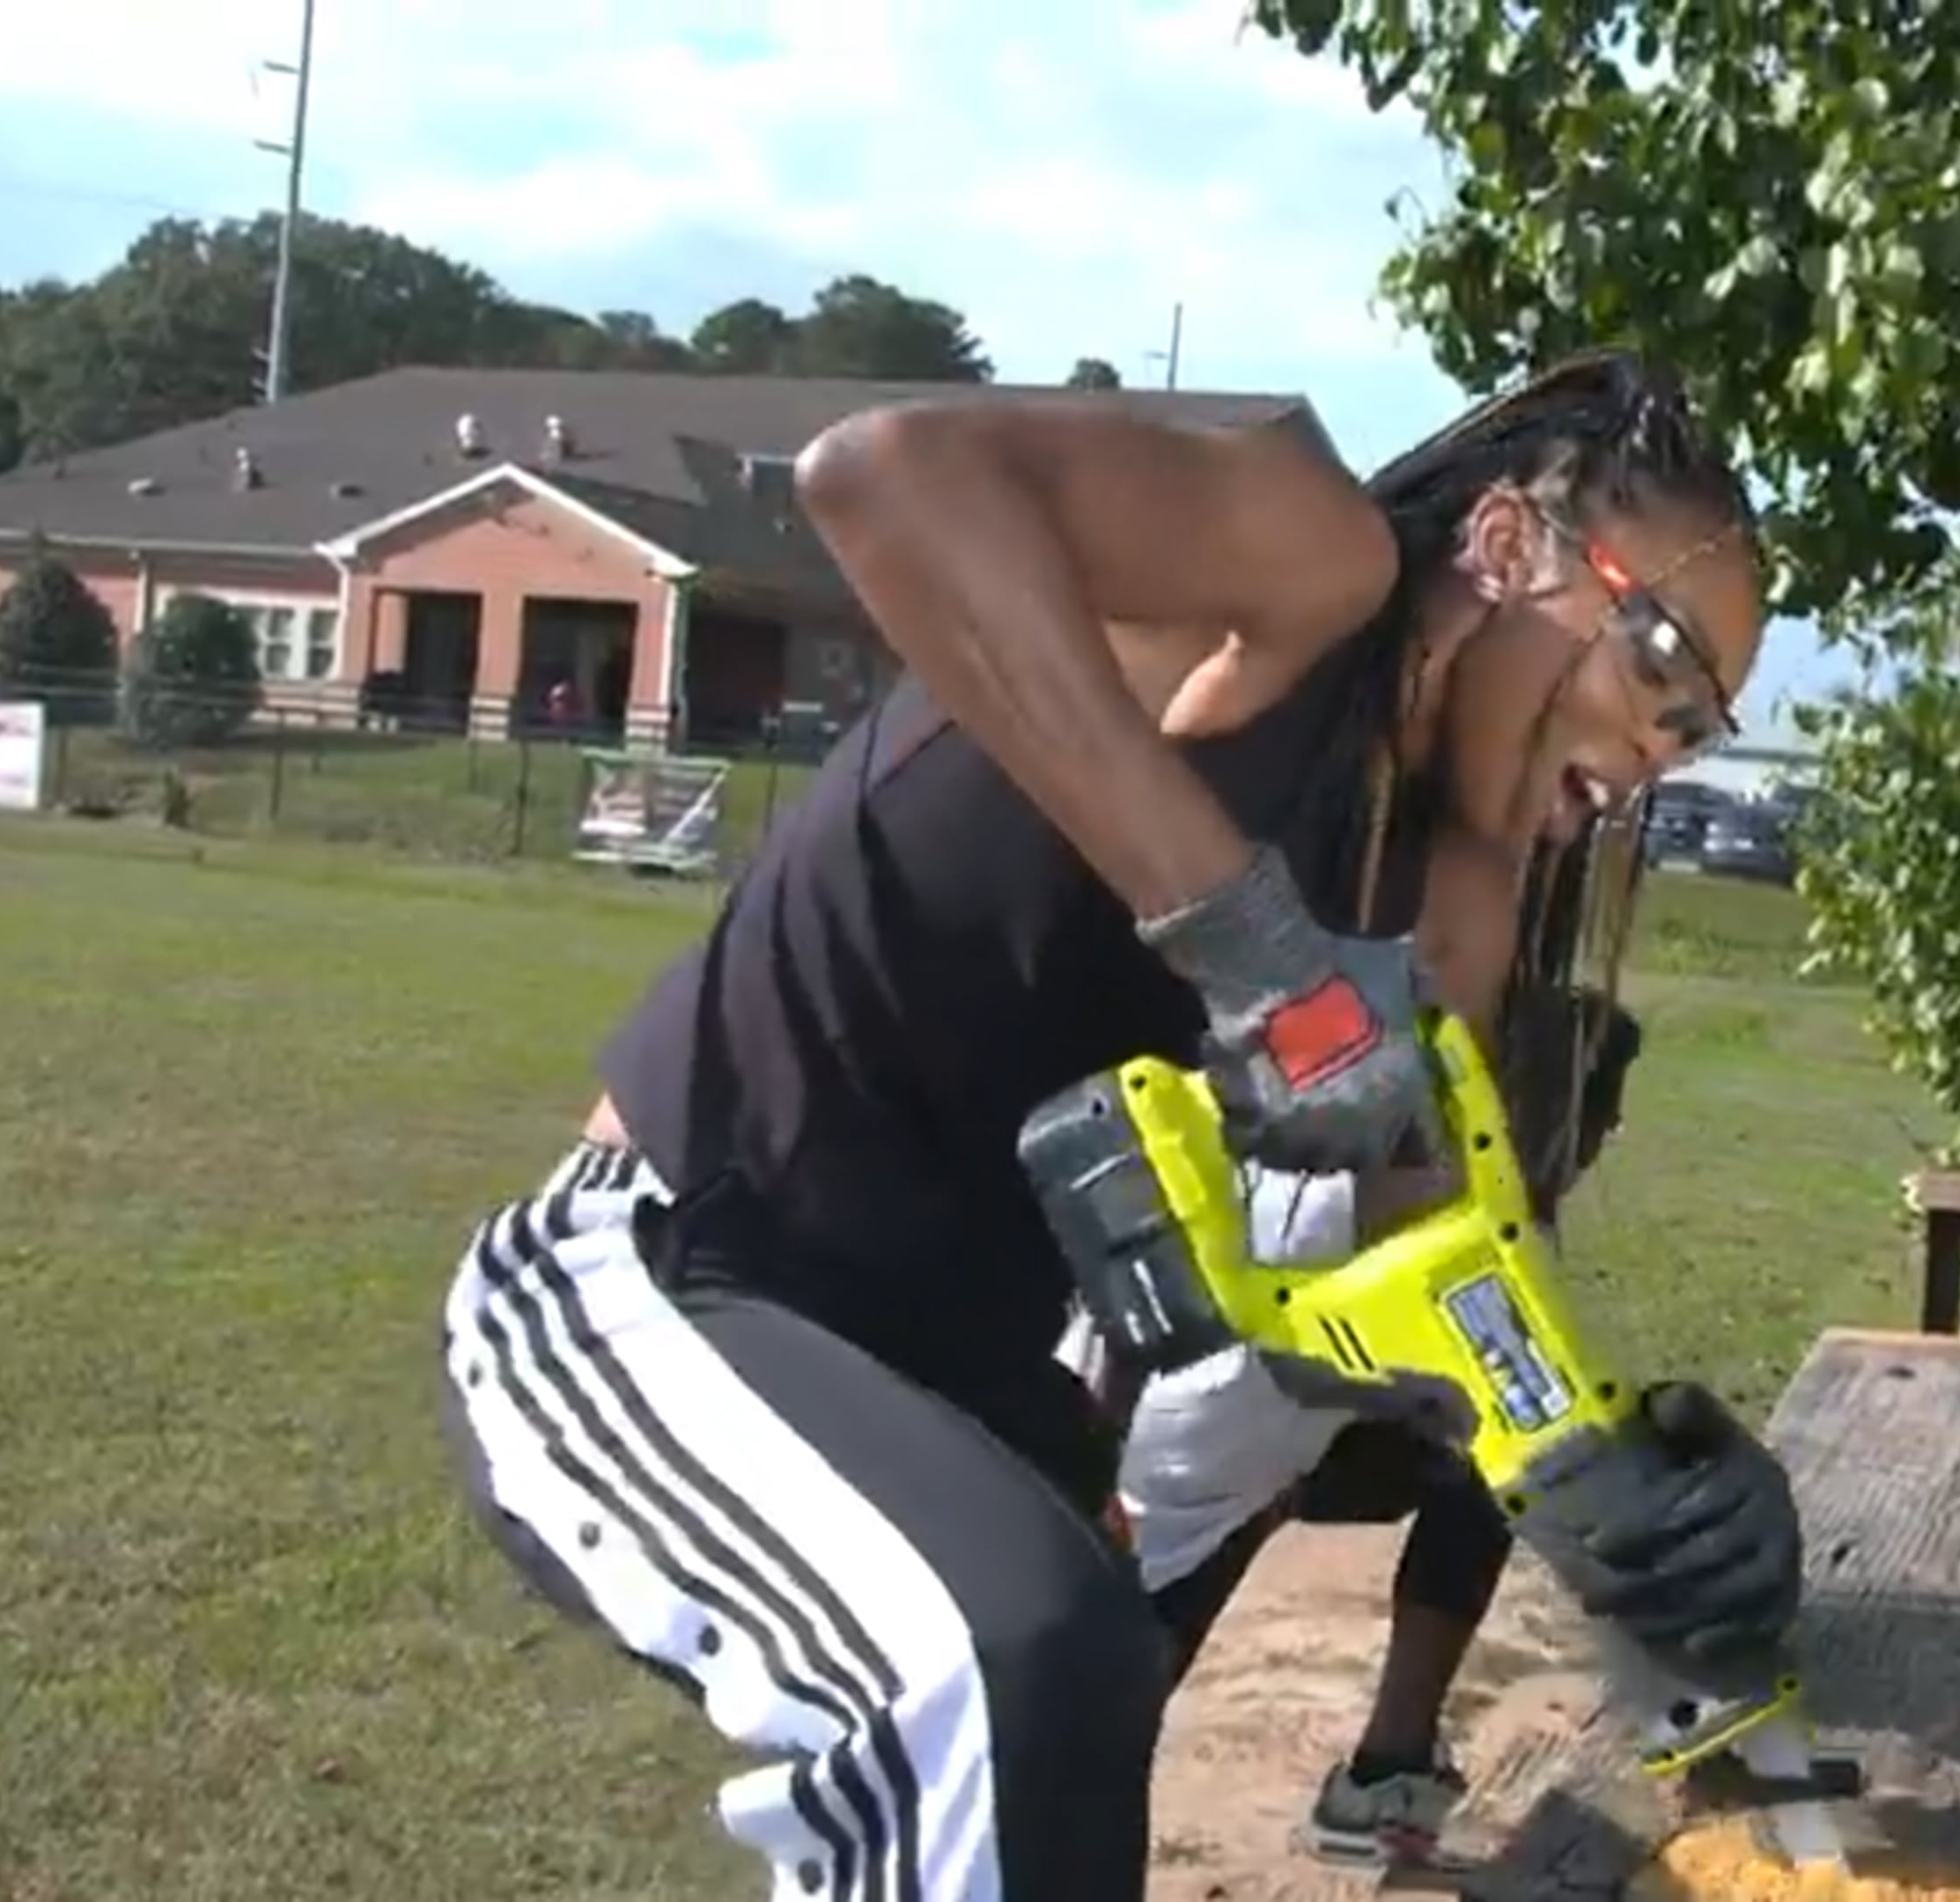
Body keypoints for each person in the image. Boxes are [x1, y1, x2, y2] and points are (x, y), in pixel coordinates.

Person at [432, 348, 1805, 1901]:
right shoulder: (1303, 563)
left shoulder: (1454, 910)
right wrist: (1247, 939)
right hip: (659, 1270)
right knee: (1010, 1668)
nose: (1654, 757)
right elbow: (887, 481)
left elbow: (1456, 1282)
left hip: (969, 1389)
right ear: (1507, 547)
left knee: (1075, 1705)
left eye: (1698, 733)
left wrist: (1647, 1484)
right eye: (1663, 670)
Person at [1087, 971, 1645, 1872]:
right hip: (1139, 1518)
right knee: (1070, 1777)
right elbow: (1552, 1451)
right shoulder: (1421, 1224)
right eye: (1593, 1125)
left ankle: (1386, 1768)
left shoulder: (1303, 1158)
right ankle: (1381, 1775)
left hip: (1180, 1482)